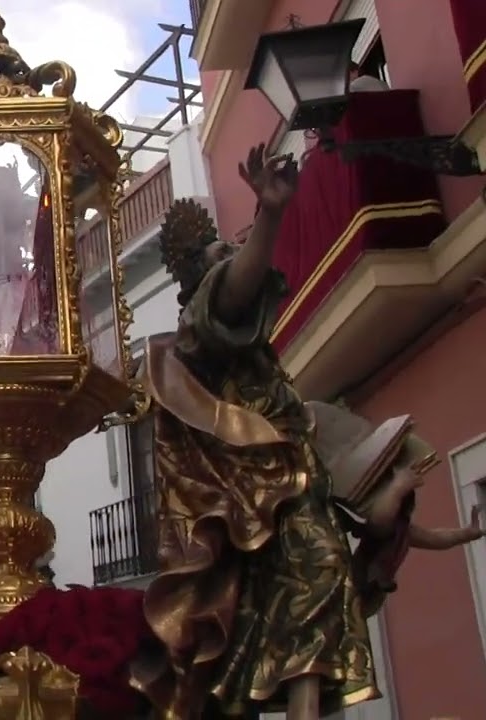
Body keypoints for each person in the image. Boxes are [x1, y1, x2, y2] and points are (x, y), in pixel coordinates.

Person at [130, 145, 379, 720]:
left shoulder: (238, 341)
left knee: (304, 616)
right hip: (270, 499)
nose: (236, 254)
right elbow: (238, 285)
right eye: (222, 251)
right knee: (312, 592)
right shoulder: (202, 323)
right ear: (201, 274)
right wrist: (269, 215)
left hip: (284, 489)